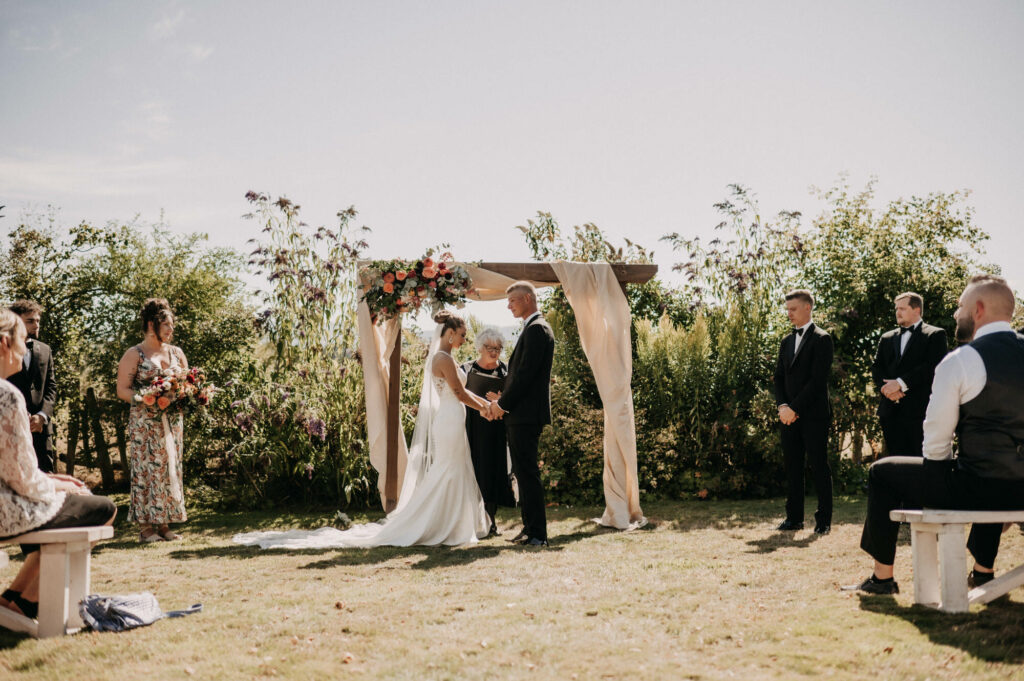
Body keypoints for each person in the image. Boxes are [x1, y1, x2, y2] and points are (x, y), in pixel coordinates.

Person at [233, 310, 491, 549]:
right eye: (462, 335)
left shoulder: (447, 358)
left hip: (453, 418)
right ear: (449, 333)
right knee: (448, 469)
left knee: (453, 467)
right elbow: (458, 392)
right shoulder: (442, 358)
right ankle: (437, 524)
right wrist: (485, 408)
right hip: (448, 420)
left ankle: (451, 523)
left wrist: (486, 405)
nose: (463, 340)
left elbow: (463, 391)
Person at [851, 274, 1024, 594]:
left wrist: (942, 481)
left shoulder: (961, 360)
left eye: (960, 306)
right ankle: (983, 571)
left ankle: (882, 578)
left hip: (979, 488)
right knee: (991, 467)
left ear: (979, 309)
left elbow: (935, 442)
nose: (957, 313)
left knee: (882, 472)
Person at [0, 310, 115, 620]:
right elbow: (21, 479)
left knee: (70, 509)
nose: (25, 350)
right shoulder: (7, 396)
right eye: (22, 341)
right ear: (3, 344)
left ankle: (14, 598)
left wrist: (51, 477)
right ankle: (33, 603)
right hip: (6, 510)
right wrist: (61, 484)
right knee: (100, 507)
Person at [488, 281, 555, 547]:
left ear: (527, 298)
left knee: (527, 473)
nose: (508, 305)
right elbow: (519, 376)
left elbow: (525, 376)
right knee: (522, 472)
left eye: (513, 300)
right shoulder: (533, 328)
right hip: (520, 414)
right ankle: (529, 529)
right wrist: (502, 398)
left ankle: (538, 534)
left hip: (525, 415)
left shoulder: (538, 329)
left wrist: (502, 405)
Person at [115, 298, 188, 542]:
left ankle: (165, 525)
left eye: (172, 325)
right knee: (146, 470)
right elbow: (122, 390)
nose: (171, 329)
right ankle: (146, 528)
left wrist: (184, 392)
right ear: (150, 325)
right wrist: (145, 398)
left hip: (171, 421)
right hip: (144, 422)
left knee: (168, 469)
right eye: (166, 325)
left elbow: (187, 382)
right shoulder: (134, 354)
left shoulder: (176, 352)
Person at [773, 289, 834, 534]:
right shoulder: (786, 341)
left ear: (807, 308)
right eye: (787, 309)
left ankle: (824, 521)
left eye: (793, 309)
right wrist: (783, 407)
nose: (789, 313)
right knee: (793, 466)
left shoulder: (822, 339)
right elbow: (778, 378)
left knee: (819, 466)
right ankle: (794, 518)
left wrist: (795, 408)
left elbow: (817, 381)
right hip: (788, 416)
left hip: (814, 414)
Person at [871, 292, 948, 457]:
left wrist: (900, 383)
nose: (898, 312)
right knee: (896, 466)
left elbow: (933, 367)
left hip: (919, 412)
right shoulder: (886, 338)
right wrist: (886, 390)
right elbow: (877, 369)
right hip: (890, 412)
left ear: (917, 310)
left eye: (902, 308)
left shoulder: (935, 335)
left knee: (920, 465)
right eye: (896, 308)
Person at [462, 327, 516, 536]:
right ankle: (472, 521)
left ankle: (491, 521)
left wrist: (500, 399)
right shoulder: (466, 369)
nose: (494, 352)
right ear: (480, 347)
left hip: (496, 429)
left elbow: (512, 398)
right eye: (489, 347)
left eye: (498, 348)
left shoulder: (505, 371)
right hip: (473, 427)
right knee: (474, 472)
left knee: (494, 473)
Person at [6, 300, 57, 473]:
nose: (36, 324)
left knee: (47, 477)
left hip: (41, 430)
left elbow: (51, 387)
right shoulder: (3, 350)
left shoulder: (45, 350)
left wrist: (42, 416)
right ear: (15, 321)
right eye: (30, 321)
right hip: (10, 428)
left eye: (37, 320)